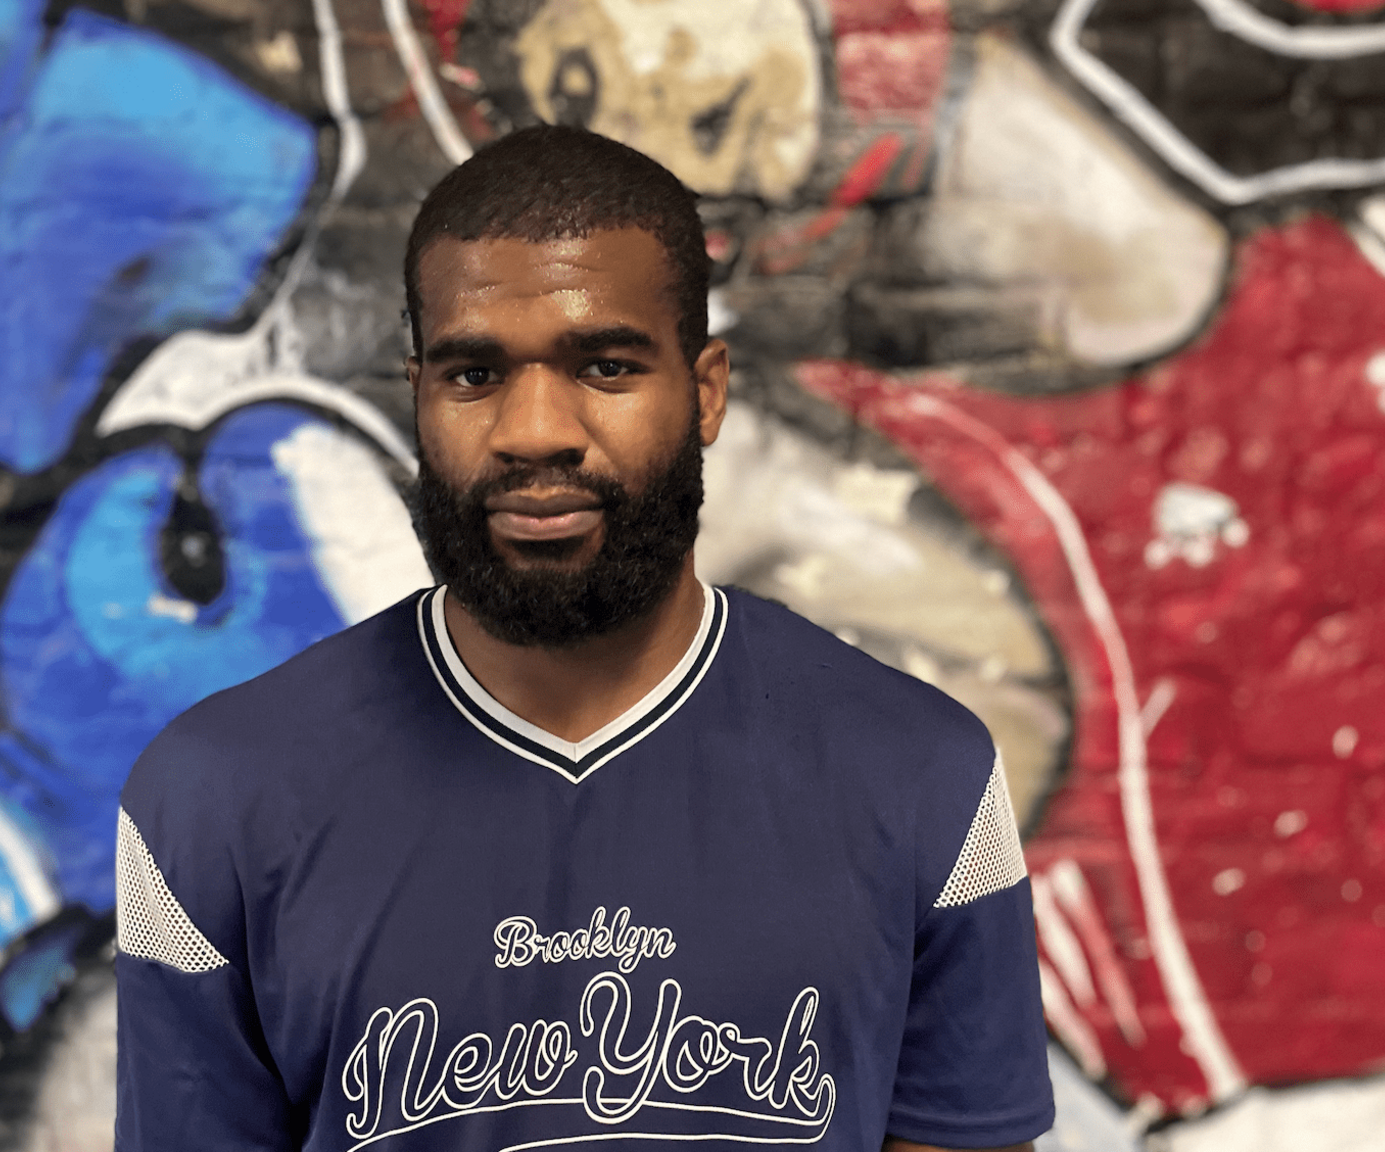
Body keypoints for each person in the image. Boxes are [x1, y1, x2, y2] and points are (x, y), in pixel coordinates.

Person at [113, 124, 1055, 1152]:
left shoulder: (922, 778)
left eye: (603, 366)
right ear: (417, 394)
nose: (532, 431)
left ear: (703, 392)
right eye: (473, 376)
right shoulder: (212, 801)